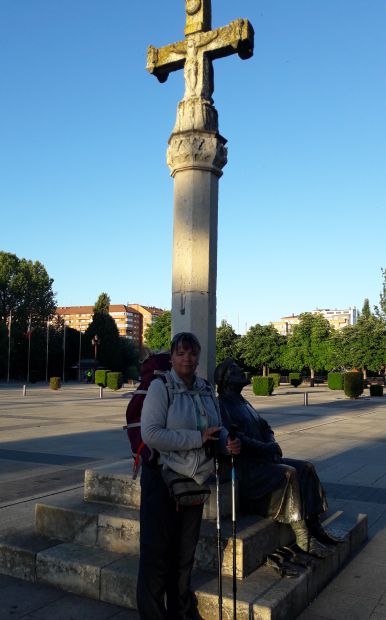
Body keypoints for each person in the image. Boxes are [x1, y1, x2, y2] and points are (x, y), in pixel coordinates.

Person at [137, 333, 240, 620]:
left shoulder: (206, 389)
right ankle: (154, 613)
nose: (187, 359)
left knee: (184, 556)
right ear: (172, 358)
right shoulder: (161, 388)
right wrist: (196, 438)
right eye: (181, 353)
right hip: (161, 478)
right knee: (156, 556)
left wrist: (227, 443)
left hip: (193, 481)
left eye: (192, 353)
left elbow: (216, 431)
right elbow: (151, 434)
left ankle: (181, 611)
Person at [214, 358, 342, 559]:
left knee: (306, 467)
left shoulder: (243, 402)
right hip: (249, 469)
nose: (243, 373)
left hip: (265, 459)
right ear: (227, 379)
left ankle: (316, 526)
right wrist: (267, 448)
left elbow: (265, 427)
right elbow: (236, 437)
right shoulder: (222, 405)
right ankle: (303, 537)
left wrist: (271, 443)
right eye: (237, 371)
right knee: (289, 473)